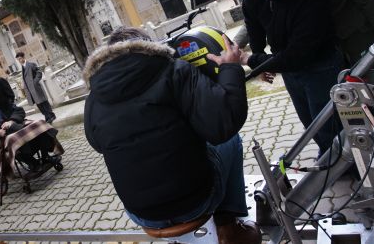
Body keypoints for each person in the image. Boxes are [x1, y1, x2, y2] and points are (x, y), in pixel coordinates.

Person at [83, 26, 260, 244]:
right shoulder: (174, 69)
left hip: (141, 213)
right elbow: (224, 123)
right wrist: (231, 68)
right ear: (148, 46)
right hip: (197, 201)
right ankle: (229, 229)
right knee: (230, 140)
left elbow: (96, 143)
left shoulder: (93, 98)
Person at [241, 0, 342, 155]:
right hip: (288, 68)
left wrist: (250, 60)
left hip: (319, 67)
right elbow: (253, 23)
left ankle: (347, 167)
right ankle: (330, 159)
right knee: (310, 124)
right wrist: (259, 58)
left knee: (328, 125)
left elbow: (298, 55)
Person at [0, 92, 59, 170]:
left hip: (17, 126)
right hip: (5, 136)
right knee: (13, 138)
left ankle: (45, 157)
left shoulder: (4, 105)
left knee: (39, 124)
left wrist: (11, 121)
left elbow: (19, 111)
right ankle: (32, 162)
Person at [16, 52, 56, 123]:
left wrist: (35, 82)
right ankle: (47, 116)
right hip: (30, 90)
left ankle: (51, 116)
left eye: (20, 59)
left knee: (44, 102)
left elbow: (39, 72)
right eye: (18, 59)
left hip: (36, 88)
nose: (19, 61)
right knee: (39, 104)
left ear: (23, 57)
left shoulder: (31, 65)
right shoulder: (23, 67)